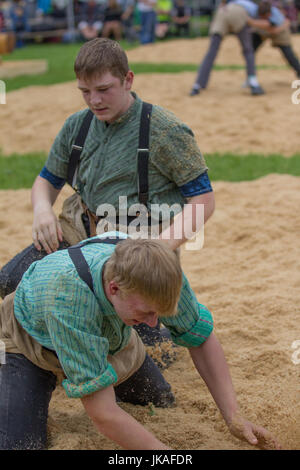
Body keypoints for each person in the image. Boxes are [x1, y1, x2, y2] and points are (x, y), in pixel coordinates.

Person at [0, 38, 215, 364]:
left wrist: (158, 248)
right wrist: (42, 209)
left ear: (128, 79)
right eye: (85, 92)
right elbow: (47, 180)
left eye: (103, 89)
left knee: (156, 356)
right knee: (8, 282)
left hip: (138, 243)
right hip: (79, 232)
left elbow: (203, 199)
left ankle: (155, 333)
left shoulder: (165, 130)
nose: (94, 100)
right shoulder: (77, 125)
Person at [0, 234, 281, 450]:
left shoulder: (159, 273)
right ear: (114, 288)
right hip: (28, 344)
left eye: (159, 313)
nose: (154, 324)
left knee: (159, 401)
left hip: (109, 336)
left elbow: (200, 337)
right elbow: (103, 413)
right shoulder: (68, 298)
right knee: (18, 443)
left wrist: (234, 417)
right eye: (146, 312)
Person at [189, 0, 276, 97]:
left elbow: (223, 2)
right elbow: (255, 23)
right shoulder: (255, 9)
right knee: (248, 50)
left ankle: (197, 85)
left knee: (212, 51)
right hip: (239, 13)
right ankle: (253, 83)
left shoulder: (240, 2)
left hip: (223, 12)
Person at [247, 0, 300, 79]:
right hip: (263, 30)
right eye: (263, 16)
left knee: (288, 54)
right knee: (250, 51)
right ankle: (251, 77)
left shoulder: (276, 15)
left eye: (267, 16)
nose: (265, 17)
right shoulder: (253, 10)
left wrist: (252, 22)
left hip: (279, 32)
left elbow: (274, 30)